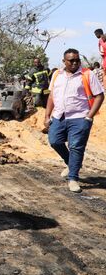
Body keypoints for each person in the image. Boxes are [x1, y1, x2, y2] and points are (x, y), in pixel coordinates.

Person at [44, 48, 104, 193]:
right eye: (71, 60)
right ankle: (71, 163)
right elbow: (52, 96)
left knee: (76, 147)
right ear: (64, 61)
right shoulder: (57, 74)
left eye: (77, 60)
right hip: (59, 116)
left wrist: (89, 117)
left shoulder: (87, 74)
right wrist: (47, 115)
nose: (75, 63)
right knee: (55, 141)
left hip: (80, 117)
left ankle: (73, 178)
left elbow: (100, 96)